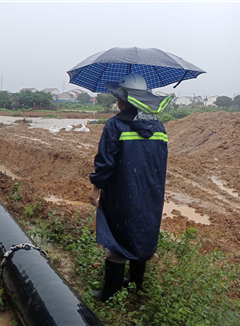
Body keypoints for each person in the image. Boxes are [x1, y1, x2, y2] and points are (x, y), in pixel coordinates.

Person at [88, 73, 172, 302]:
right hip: (150, 192)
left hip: (121, 192)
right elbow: (160, 162)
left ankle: (110, 293)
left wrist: (96, 187)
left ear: (122, 100)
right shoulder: (160, 127)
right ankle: (135, 285)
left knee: (117, 235)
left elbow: (105, 163)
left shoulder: (115, 125)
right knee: (141, 231)